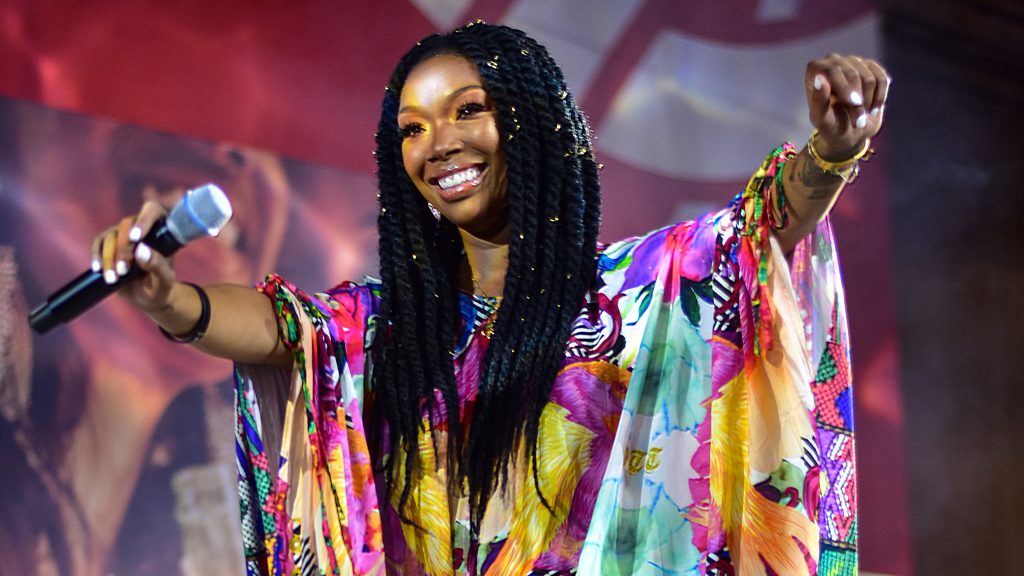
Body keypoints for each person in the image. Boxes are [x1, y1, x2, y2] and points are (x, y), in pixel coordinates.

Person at [92, 22, 887, 576]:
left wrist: (831, 153)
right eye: (411, 127)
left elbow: (759, 227)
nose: (438, 144)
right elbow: (277, 327)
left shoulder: (635, 290)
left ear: (535, 123)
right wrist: (167, 297)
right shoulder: (393, 327)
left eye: (468, 110)